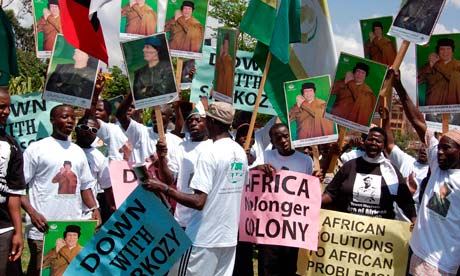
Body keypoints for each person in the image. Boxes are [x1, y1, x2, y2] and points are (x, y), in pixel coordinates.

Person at [143, 102, 248, 276]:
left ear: (211, 122)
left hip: (203, 238)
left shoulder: (210, 153)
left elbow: (199, 201)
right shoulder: (240, 152)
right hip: (228, 238)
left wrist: (163, 188)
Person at [390, 69, 460, 275]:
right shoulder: (438, 167)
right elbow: (418, 122)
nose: (440, 152)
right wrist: (398, 86)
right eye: (439, 147)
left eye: (447, 148)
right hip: (416, 252)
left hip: (439, 265)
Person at [21, 105, 101, 276]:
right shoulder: (37, 149)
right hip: (44, 228)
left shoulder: (78, 152)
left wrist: (94, 209)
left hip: (72, 229)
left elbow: (85, 187)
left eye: (73, 118)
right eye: (65, 117)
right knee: (41, 271)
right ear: (52, 120)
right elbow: (18, 188)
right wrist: (32, 213)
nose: (70, 121)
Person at [252, 123, 314, 276]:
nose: (283, 140)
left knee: (288, 268)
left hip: (292, 226)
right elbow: (247, 177)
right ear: (272, 141)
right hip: (269, 225)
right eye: (278, 138)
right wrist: (257, 169)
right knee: (267, 267)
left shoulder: (305, 161)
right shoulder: (265, 156)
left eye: (286, 136)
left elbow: (309, 193)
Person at [322, 126, 417, 222]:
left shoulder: (391, 171)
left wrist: (414, 221)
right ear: (365, 142)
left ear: (384, 146)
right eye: (370, 139)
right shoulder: (349, 166)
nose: (373, 143)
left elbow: (406, 202)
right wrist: (313, 204)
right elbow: (331, 194)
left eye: (378, 141)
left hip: (379, 233)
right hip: (348, 229)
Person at [0, 89, 26, 275]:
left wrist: (17, 232)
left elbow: (14, 192)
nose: (7, 112)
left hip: (3, 228)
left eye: (9, 107)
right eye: (2, 106)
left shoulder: (12, 145)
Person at [115, 93, 182, 163]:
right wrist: (133, 92)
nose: (156, 116)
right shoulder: (140, 131)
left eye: (162, 114)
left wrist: (177, 107)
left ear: (170, 118)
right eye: (153, 113)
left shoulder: (176, 141)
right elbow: (120, 115)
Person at [75, 115, 116, 223]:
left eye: (93, 130)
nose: (88, 132)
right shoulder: (66, 151)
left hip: (89, 213)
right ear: (77, 128)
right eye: (85, 128)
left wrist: (113, 208)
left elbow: (107, 186)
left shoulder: (100, 156)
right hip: (66, 211)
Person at [418, 38, 460, 106]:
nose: (445, 52)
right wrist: (430, 65)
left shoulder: (458, 66)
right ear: (438, 51)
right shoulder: (430, 66)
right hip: (431, 108)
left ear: (453, 51)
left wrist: (437, 65)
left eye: (448, 49)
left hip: (453, 108)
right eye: (442, 49)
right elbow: (416, 80)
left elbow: (453, 77)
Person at [214, 34, 235, 99]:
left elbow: (229, 71)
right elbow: (217, 69)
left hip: (226, 86)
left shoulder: (229, 59)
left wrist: (224, 56)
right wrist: (220, 56)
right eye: (225, 44)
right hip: (220, 85)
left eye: (227, 45)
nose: (226, 47)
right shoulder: (220, 58)